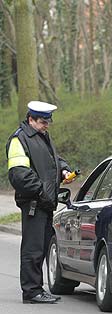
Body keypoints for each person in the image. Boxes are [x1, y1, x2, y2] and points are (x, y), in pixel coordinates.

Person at [6, 101, 74, 303]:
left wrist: (64, 170)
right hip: (34, 203)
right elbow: (19, 175)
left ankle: (37, 289)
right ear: (31, 120)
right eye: (43, 122)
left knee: (41, 247)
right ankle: (32, 292)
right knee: (33, 249)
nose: (47, 125)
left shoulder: (41, 137)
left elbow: (53, 159)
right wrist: (42, 191)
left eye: (48, 122)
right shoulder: (19, 140)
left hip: (44, 203)